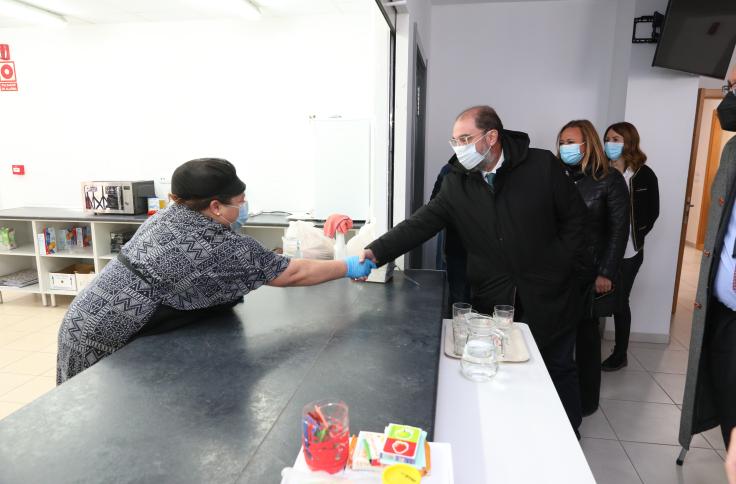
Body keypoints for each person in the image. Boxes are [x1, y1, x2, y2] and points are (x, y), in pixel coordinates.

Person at [361, 105, 588, 432]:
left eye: (466, 138)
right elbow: (421, 224)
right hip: (494, 296)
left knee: (557, 366)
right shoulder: (457, 182)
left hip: (550, 292)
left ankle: (569, 434)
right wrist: (375, 252)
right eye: (455, 141)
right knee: (501, 368)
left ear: (492, 137)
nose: (459, 148)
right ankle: (515, 432)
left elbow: (576, 221)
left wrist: (562, 265)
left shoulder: (541, 166)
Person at [56, 158, 375, 384]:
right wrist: (348, 265)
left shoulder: (170, 216)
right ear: (216, 206)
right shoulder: (217, 247)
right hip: (106, 334)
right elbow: (293, 273)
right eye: (240, 200)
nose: (245, 204)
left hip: (87, 314)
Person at [680, 68, 736, 454]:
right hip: (725, 314)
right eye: (728, 86)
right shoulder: (734, 149)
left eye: (734, 86)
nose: (727, 95)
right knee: (724, 397)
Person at [557, 120, 629, 416]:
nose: (565, 148)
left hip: (591, 273)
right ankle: (560, 395)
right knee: (559, 338)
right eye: (561, 142)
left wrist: (606, 273)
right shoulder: (559, 177)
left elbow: (618, 230)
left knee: (586, 340)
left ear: (588, 144)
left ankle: (587, 402)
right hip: (560, 271)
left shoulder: (609, 180)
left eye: (571, 142)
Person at [600, 121, 659, 371]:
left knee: (620, 302)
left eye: (616, 139)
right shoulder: (599, 170)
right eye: (608, 139)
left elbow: (652, 212)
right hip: (602, 250)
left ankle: (620, 353)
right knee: (594, 300)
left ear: (629, 142)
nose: (610, 144)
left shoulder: (643, 174)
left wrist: (635, 234)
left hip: (629, 253)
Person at [430, 158, 470, 313]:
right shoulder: (449, 171)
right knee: (459, 305)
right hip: (458, 252)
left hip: (493, 259)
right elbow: (433, 211)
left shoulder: (503, 174)